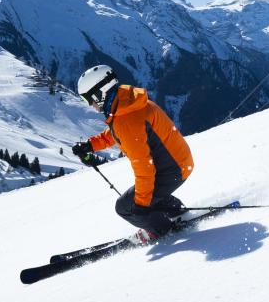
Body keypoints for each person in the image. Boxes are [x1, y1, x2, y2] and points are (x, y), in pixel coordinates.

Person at [72, 65, 194, 243]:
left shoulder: (125, 118)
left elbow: (144, 166)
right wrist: (91, 145)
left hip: (172, 169)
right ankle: (175, 212)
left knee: (125, 207)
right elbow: (120, 133)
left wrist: (141, 205)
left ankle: (163, 230)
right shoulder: (125, 103)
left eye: (87, 99)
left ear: (100, 94)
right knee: (142, 197)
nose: (89, 104)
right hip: (177, 162)